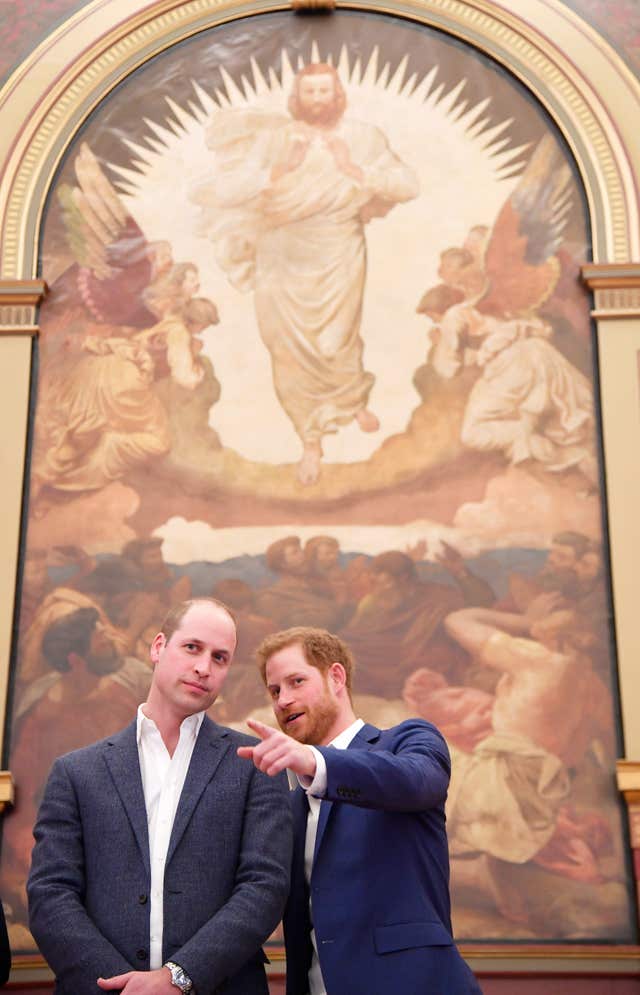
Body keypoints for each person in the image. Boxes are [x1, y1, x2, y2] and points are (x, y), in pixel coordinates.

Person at [27, 597, 292, 995]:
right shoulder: (76, 772)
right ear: (157, 647)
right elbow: (50, 894)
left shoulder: (254, 765)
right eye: (192, 647)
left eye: (220, 658)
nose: (204, 667)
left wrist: (178, 978)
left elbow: (264, 887)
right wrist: (120, 987)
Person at [195, 63, 419, 484]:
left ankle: (350, 400)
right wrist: (282, 168)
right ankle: (309, 439)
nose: (318, 100)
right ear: (298, 96)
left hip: (338, 244)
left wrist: (354, 167)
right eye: (310, 92)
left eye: (325, 91)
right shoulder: (275, 138)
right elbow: (225, 188)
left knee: (338, 336)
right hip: (282, 248)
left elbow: (408, 185)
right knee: (286, 345)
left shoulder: (364, 137)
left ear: (339, 95)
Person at [238, 626, 481, 995]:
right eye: (275, 691)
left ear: (336, 677)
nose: (283, 700)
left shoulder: (407, 740)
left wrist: (316, 762)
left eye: (296, 681)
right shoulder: (289, 806)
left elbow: (417, 781)